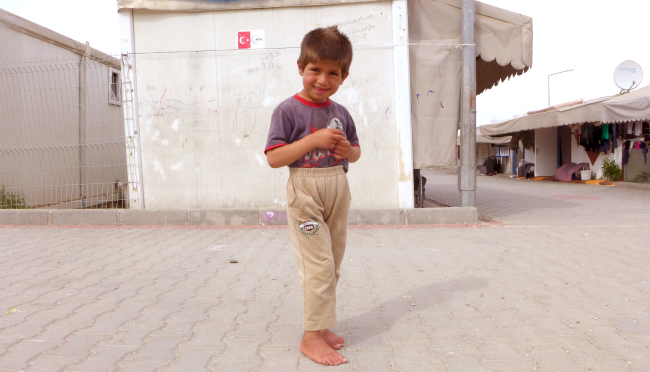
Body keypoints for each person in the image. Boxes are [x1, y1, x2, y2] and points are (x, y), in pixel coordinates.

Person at [264, 26, 361, 366]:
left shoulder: (343, 113)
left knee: (333, 260)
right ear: (300, 67)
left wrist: (347, 149)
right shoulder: (287, 111)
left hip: (337, 187)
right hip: (305, 191)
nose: (322, 79)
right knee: (317, 263)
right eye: (314, 70)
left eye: (332, 73)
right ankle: (310, 337)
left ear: (343, 76)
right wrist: (313, 140)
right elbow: (275, 158)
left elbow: (356, 154)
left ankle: (321, 327)